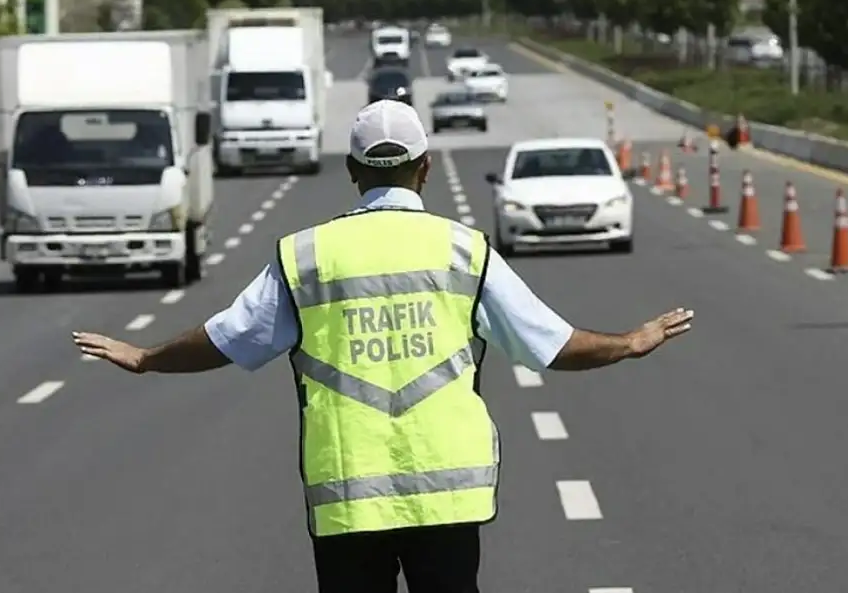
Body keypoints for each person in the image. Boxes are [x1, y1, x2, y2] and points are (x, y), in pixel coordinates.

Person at [72, 100, 694, 593]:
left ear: (351, 171)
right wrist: (630, 342)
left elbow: (229, 338)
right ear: (424, 169)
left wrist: (146, 358)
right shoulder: (463, 250)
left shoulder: (307, 256)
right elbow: (550, 346)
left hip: (348, 497)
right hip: (448, 497)